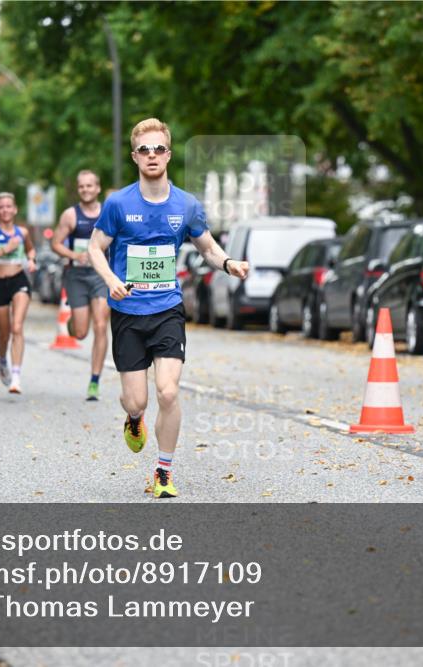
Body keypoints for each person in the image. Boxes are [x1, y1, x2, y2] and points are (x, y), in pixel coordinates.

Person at [88, 118, 249, 498]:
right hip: (128, 311)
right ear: (134, 157)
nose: (152, 155)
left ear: (169, 154)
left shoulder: (186, 204)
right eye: (144, 150)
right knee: (137, 399)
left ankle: (163, 472)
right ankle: (133, 418)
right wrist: (111, 280)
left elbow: (207, 247)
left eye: (159, 148)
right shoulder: (118, 203)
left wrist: (229, 263)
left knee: (168, 393)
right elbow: (95, 247)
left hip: (167, 310)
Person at [52, 169, 110, 401]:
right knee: (81, 332)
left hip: (100, 276)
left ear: (97, 188)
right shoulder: (70, 215)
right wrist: (75, 256)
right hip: (76, 276)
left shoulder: (108, 212)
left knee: (100, 325)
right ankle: (72, 326)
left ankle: (94, 380)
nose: (86, 190)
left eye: (90, 185)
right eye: (82, 186)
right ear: (79, 189)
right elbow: (55, 243)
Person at [0, 192, 37, 394]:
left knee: (18, 327)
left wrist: (31, 260)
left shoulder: (22, 232)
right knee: (5, 333)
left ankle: (16, 377)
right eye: (1, 207)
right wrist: (4, 250)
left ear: (15, 209)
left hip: (19, 281)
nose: (5, 210)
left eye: (8, 206)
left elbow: (30, 250)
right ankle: (2, 359)